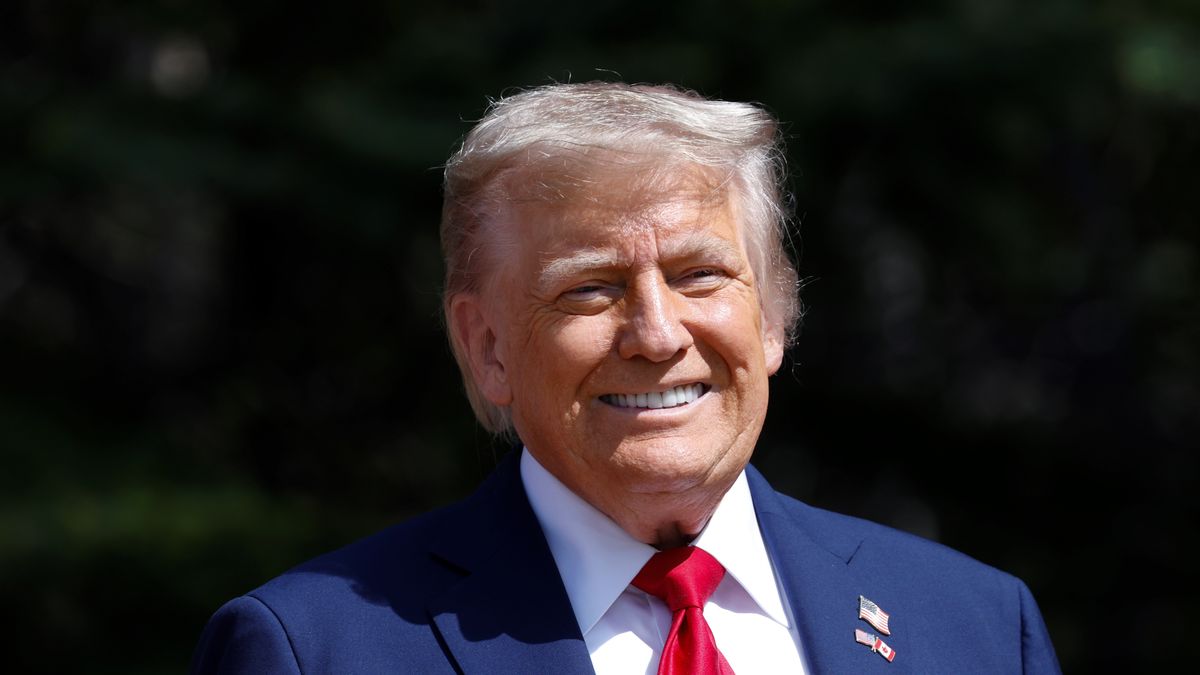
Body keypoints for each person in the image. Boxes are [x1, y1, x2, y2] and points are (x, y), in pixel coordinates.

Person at [191, 82, 1061, 674]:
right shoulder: (316, 649)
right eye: (591, 288)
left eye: (700, 276)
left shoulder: (976, 625)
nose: (655, 334)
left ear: (774, 318)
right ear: (486, 345)